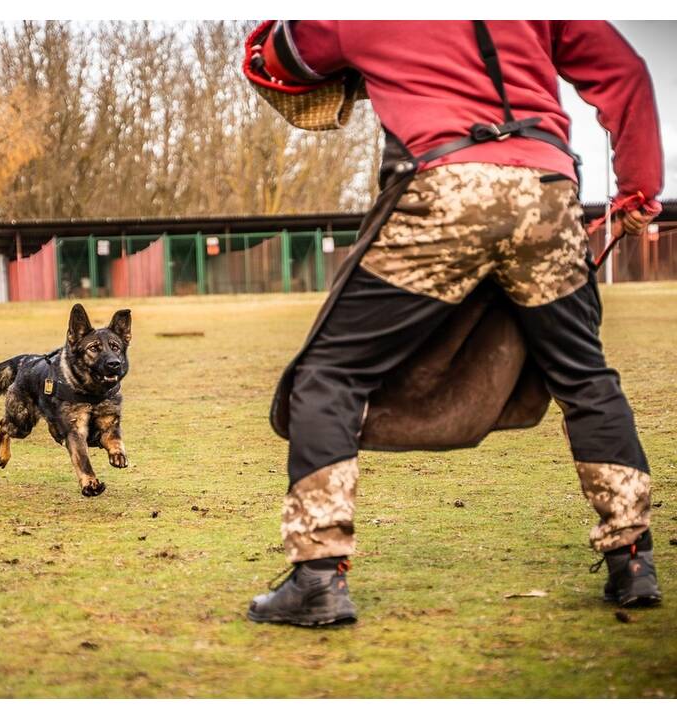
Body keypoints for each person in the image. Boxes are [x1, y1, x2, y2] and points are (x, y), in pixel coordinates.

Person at [244, 21, 663, 627]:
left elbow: (277, 58)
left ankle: (317, 578)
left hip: (444, 181)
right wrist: (639, 189)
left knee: (328, 374)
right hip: (549, 188)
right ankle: (633, 561)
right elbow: (625, 73)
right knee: (585, 378)